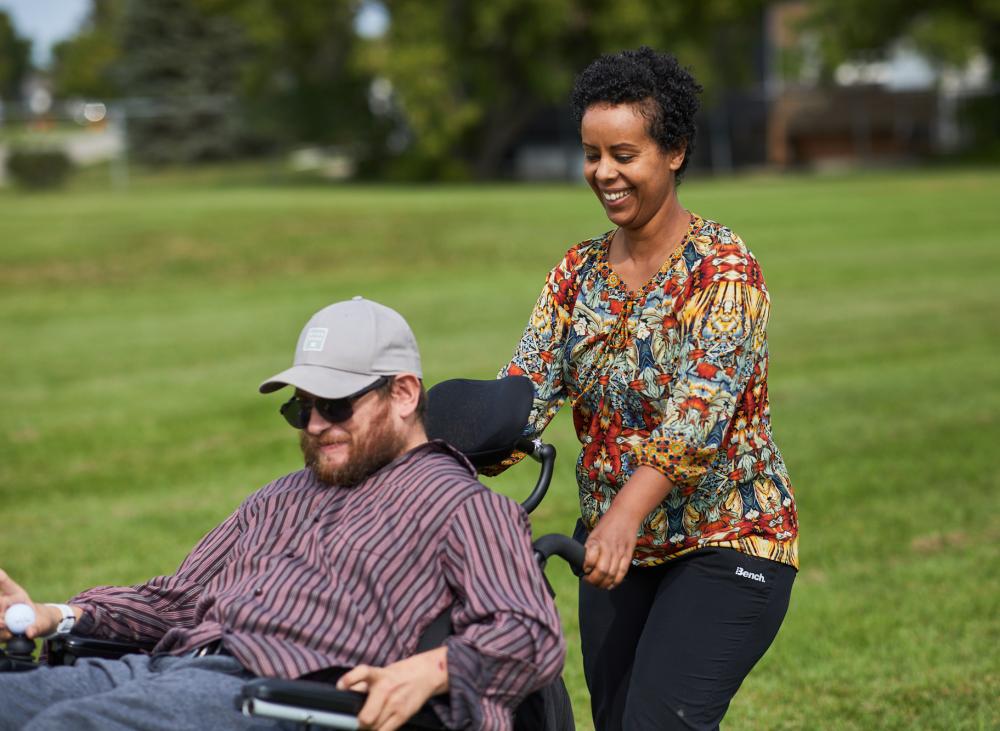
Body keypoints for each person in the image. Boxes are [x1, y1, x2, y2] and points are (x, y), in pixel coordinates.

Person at [0, 297, 565, 731]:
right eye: (302, 407)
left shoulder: (462, 506)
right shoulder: (279, 497)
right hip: (168, 671)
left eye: (337, 405)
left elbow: (529, 631)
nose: (316, 423)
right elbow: (175, 601)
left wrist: (433, 668)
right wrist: (54, 615)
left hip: (276, 698)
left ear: (403, 394)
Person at [493, 48, 799, 731]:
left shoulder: (725, 269)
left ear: (676, 151)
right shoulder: (577, 272)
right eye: (591, 154)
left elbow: (698, 417)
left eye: (623, 154)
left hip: (729, 540)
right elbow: (525, 390)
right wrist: (441, 448)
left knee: (658, 722)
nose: (603, 172)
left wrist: (626, 515)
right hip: (613, 551)